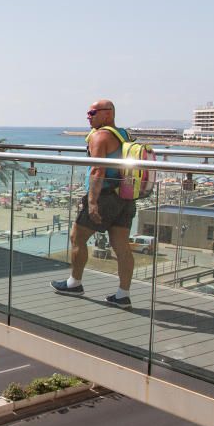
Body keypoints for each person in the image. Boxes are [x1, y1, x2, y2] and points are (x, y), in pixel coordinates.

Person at [51, 100, 136, 309]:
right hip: (125, 195)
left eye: (92, 112)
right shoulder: (123, 134)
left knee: (77, 236)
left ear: (107, 114)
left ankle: (74, 283)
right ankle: (123, 295)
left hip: (105, 196)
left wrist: (92, 201)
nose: (88, 116)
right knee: (122, 246)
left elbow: (98, 170)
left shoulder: (100, 136)